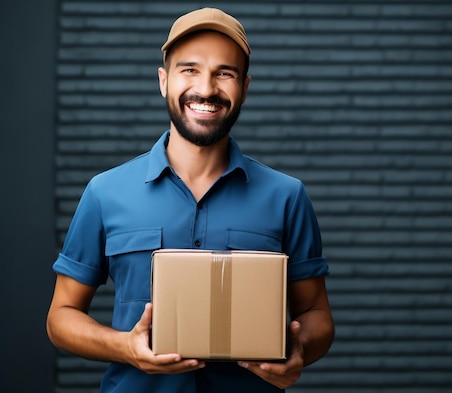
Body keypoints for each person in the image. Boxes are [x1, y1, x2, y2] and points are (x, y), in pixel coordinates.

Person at [46, 7, 334, 393]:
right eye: (190, 70)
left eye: (224, 73)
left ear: (245, 88)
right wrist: (125, 348)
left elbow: (316, 314)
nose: (206, 88)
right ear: (163, 81)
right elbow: (61, 316)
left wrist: (300, 348)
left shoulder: (286, 196)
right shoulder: (105, 192)